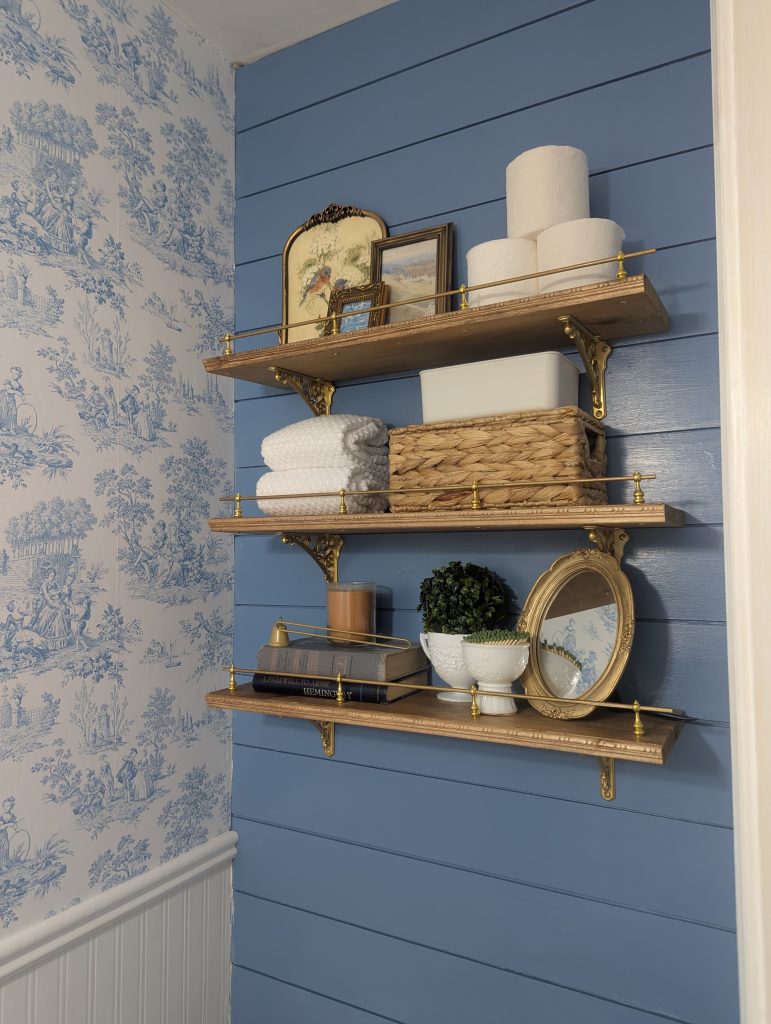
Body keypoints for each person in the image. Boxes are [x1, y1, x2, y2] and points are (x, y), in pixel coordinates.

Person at [0, 366, 24, 433]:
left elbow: (21, 393)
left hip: (11, 399)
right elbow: (8, 390)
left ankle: (10, 428)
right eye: (12, 373)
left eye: (16, 374)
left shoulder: (19, 385)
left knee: (13, 413)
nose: (13, 375)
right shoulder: (8, 380)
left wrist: (22, 397)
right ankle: (3, 427)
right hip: (4, 397)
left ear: (19, 376)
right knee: (4, 412)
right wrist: (17, 392)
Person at [0, 796, 17, 870]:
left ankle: (3, 865)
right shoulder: (1, 816)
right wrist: (9, 824)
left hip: (4, 835)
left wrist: (16, 828)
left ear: (11, 807)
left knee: (5, 848)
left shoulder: (12, 816)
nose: (6, 807)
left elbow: (14, 824)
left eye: (8, 806)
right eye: (5, 805)